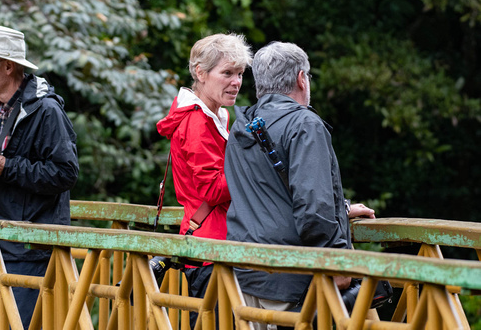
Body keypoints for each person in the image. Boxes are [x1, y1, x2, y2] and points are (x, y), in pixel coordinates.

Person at [224, 41, 374, 329]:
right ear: (301, 78)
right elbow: (313, 209)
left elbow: (270, 196)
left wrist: (341, 209)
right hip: (291, 274)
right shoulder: (304, 124)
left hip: (244, 272)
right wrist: (337, 259)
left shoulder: (242, 126)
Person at [0, 24, 79, 329]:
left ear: (8, 66)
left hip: (29, 250)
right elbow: (0, 157)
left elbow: (66, 173)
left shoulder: (47, 110)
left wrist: (5, 168)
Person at [156, 33, 253, 328]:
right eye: (227, 73)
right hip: (211, 248)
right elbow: (211, 188)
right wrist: (252, 171)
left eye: (239, 73)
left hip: (218, 242)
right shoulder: (197, 121)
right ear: (200, 73)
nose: (236, 81)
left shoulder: (216, 114)